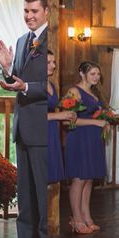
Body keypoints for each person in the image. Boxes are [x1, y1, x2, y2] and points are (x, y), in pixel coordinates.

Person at [0, 0, 49, 238]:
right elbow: (16, 81)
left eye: (34, 12)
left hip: (42, 127)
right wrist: (6, 69)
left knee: (42, 191)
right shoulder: (20, 41)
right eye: (26, 11)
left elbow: (50, 87)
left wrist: (25, 87)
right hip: (22, 126)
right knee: (25, 192)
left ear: (47, 12)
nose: (29, 16)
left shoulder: (54, 42)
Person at [63, 62, 108, 234]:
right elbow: (67, 120)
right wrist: (95, 122)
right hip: (79, 138)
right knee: (79, 179)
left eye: (98, 74)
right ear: (82, 74)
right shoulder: (74, 92)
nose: (96, 77)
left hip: (93, 139)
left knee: (89, 179)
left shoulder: (94, 93)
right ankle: (76, 218)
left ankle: (86, 216)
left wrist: (104, 122)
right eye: (93, 74)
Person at [47, 51, 66, 187]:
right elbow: (33, 114)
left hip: (52, 131)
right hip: (41, 132)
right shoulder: (35, 85)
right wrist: (59, 116)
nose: (53, 65)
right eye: (48, 62)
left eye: (54, 62)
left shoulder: (51, 85)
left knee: (50, 182)